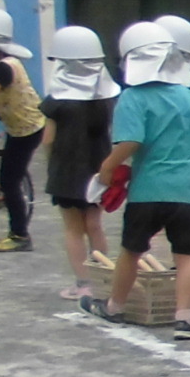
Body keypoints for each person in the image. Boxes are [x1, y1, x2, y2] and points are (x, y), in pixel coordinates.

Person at [80, 23, 190, 332]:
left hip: (148, 189)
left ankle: (114, 307)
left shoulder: (133, 98)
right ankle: (184, 318)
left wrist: (107, 168)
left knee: (131, 250)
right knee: (186, 256)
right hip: (188, 190)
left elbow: (130, 141)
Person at [38, 27, 118, 299]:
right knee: (94, 224)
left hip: (66, 170)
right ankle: (102, 278)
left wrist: (51, 164)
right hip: (99, 168)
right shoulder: (106, 97)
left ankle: (83, 283)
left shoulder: (56, 102)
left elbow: (48, 139)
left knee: (73, 228)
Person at [0, 6, 43, 254]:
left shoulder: (5, 67)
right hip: (12, 117)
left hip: (27, 130)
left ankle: (20, 235)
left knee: (9, 181)